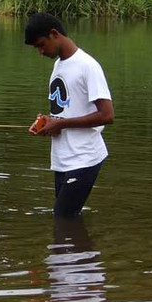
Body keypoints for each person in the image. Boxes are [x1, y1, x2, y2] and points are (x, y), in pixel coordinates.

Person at [23, 13, 113, 218]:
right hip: (63, 158)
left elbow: (107, 115)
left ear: (54, 34)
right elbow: (65, 111)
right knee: (66, 223)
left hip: (84, 158)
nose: (40, 51)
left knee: (62, 217)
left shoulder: (87, 66)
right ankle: (80, 248)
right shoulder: (59, 66)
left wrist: (60, 125)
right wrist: (46, 121)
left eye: (40, 44)